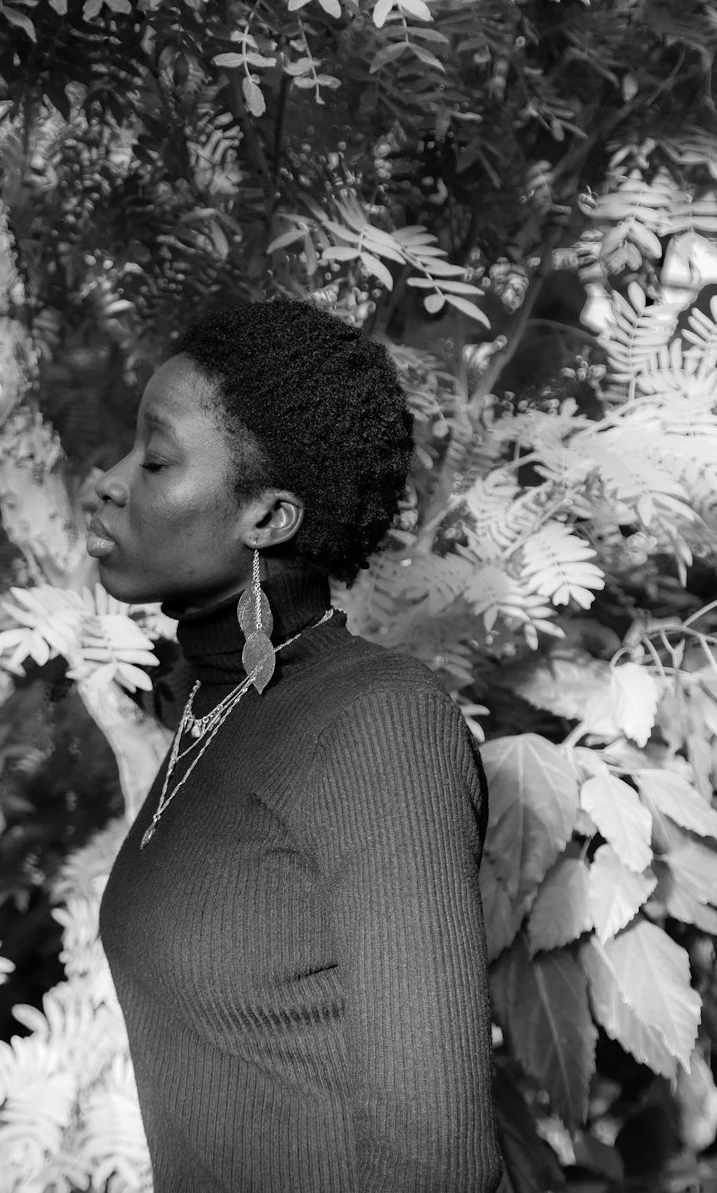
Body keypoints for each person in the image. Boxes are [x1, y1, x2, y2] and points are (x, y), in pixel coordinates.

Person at [91, 297, 502, 1193]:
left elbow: (440, 1167)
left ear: (269, 518)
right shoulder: (219, 708)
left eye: (156, 459)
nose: (110, 481)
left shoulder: (375, 720)